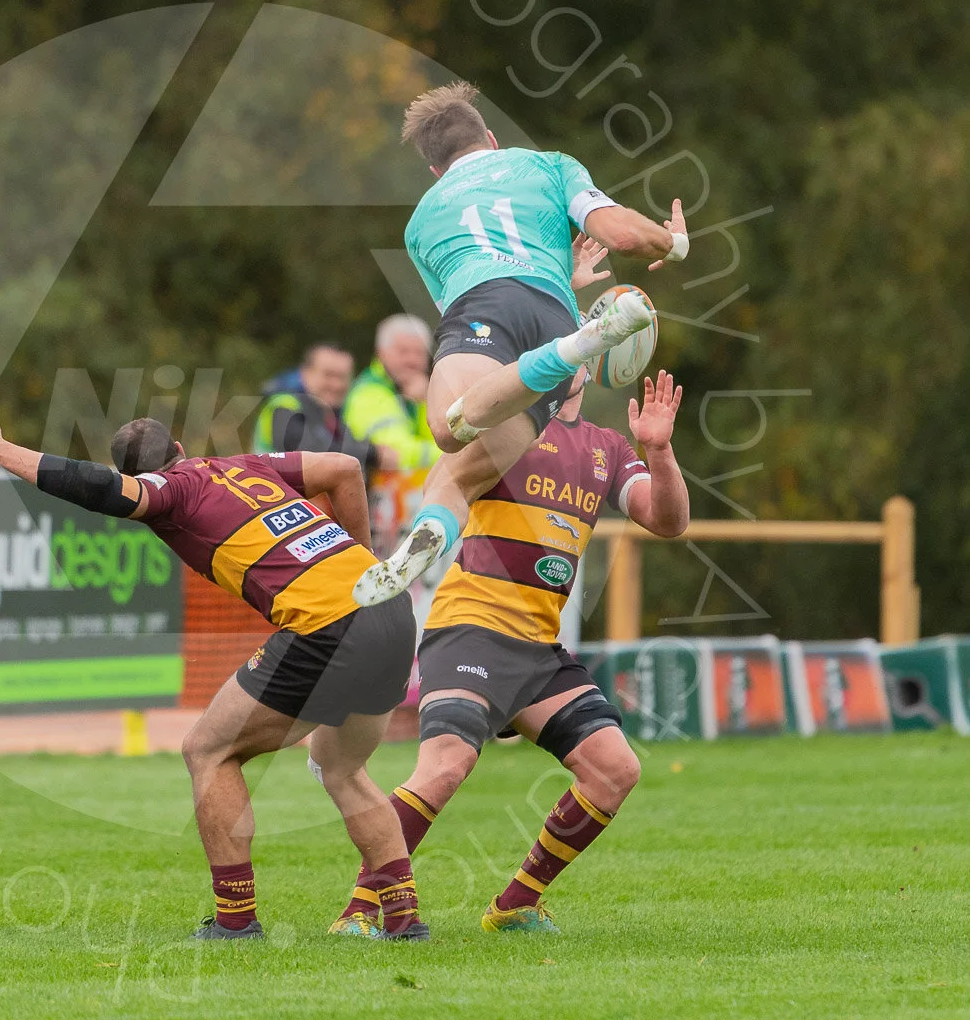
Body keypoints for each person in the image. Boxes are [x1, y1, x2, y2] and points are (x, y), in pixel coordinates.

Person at [0, 407, 427, 942]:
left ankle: (236, 922)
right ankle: (405, 922)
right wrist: (364, 560)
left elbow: (104, 490)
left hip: (329, 623)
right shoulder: (244, 466)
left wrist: (1, 450)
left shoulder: (171, 491)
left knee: (207, 751)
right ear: (178, 443)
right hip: (393, 610)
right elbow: (342, 467)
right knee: (341, 770)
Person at [322, 367, 689, 935]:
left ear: (588, 363)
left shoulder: (608, 447)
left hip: (538, 650)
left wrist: (660, 451)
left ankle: (516, 904)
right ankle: (362, 910)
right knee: (447, 765)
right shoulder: (504, 429)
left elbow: (668, 521)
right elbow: (441, 482)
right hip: (469, 629)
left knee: (615, 769)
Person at [353, 82, 688, 607]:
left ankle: (580, 346)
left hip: (482, 308)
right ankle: (578, 345)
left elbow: (482, 314)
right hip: (554, 316)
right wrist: (673, 242)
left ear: (436, 171)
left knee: (449, 427)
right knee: (454, 473)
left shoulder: (420, 223)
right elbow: (621, 235)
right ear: (490, 137)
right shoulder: (548, 165)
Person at [254, 342, 398, 476]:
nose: (336, 385)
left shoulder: (333, 417)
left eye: (342, 377)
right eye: (328, 375)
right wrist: (373, 453)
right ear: (306, 374)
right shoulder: (283, 405)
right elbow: (310, 452)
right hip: (272, 500)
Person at [343, 314, 440, 476]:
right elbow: (398, 455)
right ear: (381, 353)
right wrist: (460, 457)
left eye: (419, 353)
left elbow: (439, 437)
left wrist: (426, 401)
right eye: (403, 352)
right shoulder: (369, 392)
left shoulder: (413, 390)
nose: (412, 360)